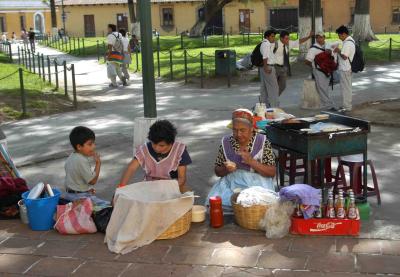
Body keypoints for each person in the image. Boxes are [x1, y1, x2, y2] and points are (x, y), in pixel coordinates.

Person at [206, 109, 277, 210]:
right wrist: (226, 169)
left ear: (251, 128)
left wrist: (251, 162)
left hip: (257, 184)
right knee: (216, 203)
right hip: (231, 183)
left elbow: (272, 172)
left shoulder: (262, 141)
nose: (238, 134)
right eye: (235, 130)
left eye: (242, 130)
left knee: (256, 205)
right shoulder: (226, 142)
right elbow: (217, 171)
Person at [118, 120, 192, 193]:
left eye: (161, 145)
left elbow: (182, 179)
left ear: (171, 143)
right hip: (150, 184)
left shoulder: (179, 150)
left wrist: (167, 193)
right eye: (154, 144)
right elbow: (131, 168)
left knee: (185, 195)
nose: (157, 148)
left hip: (172, 186)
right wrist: (120, 188)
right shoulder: (144, 149)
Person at [64, 126, 109, 206]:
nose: (93, 146)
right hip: (79, 197)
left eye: (93, 143)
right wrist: (98, 163)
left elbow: (75, 181)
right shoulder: (81, 160)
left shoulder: (71, 157)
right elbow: (92, 181)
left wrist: (87, 190)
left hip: (70, 195)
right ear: (79, 147)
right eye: (90, 144)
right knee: (109, 206)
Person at [274, 30, 313, 95]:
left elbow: (299, 41)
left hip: (283, 68)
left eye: (288, 38)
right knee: (272, 86)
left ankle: (273, 98)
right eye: (286, 39)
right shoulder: (275, 44)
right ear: (281, 38)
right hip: (274, 67)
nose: (288, 40)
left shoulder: (288, 44)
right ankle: (271, 101)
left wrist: (309, 37)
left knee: (283, 86)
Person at [305, 32, 336, 110]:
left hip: (328, 70)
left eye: (321, 37)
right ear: (316, 38)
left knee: (324, 88)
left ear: (324, 37)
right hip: (319, 71)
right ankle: (328, 105)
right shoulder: (313, 49)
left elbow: (333, 57)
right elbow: (307, 61)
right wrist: (314, 67)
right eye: (318, 37)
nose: (319, 39)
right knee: (322, 88)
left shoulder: (328, 45)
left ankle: (326, 104)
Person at [334, 25, 355, 112]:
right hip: (346, 68)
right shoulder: (350, 41)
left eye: (339, 35)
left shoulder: (348, 43)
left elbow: (345, 57)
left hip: (345, 68)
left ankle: (347, 106)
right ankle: (346, 105)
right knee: (346, 88)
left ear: (343, 34)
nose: (339, 37)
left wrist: (338, 50)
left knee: (346, 88)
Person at [259, 29, 279, 107]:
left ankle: (264, 106)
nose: (273, 38)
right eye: (272, 36)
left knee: (264, 89)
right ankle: (275, 107)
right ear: (267, 37)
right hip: (268, 67)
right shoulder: (266, 44)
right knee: (274, 88)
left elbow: (268, 55)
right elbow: (265, 57)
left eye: (274, 36)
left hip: (265, 67)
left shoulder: (264, 43)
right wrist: (266, 67)